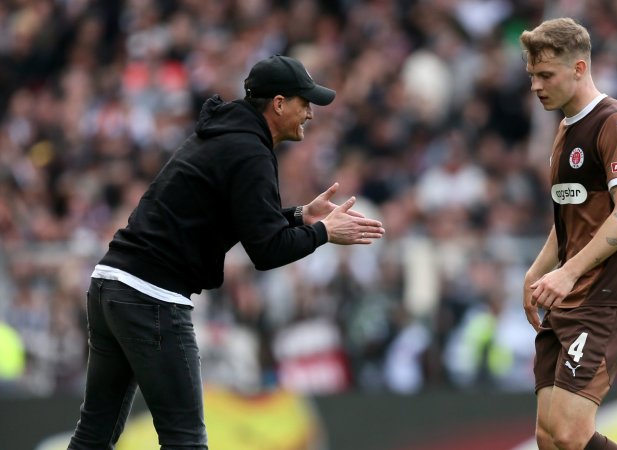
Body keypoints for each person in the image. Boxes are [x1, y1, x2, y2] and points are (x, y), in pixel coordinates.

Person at [68, 55, 385, 449]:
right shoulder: (251, 152)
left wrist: (302, 216)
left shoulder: (226, 135)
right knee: (185, 439)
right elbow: (266, 250)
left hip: (111, 284)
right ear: (279, 103)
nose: (311, 114)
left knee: (94, 435)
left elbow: (248, 221)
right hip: (152, 297)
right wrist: (324, 233)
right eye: (305, 103)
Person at [519, 18, 617, 450]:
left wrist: (568, 273)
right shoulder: (563, 130)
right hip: (567, 294)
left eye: (546, 75)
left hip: (604, 295)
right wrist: (537, 271)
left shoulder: (616, 123)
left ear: (579, 68)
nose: (536, 86)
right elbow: (569, 218)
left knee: (573, 435)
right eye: (532, 75)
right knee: (549, 438)